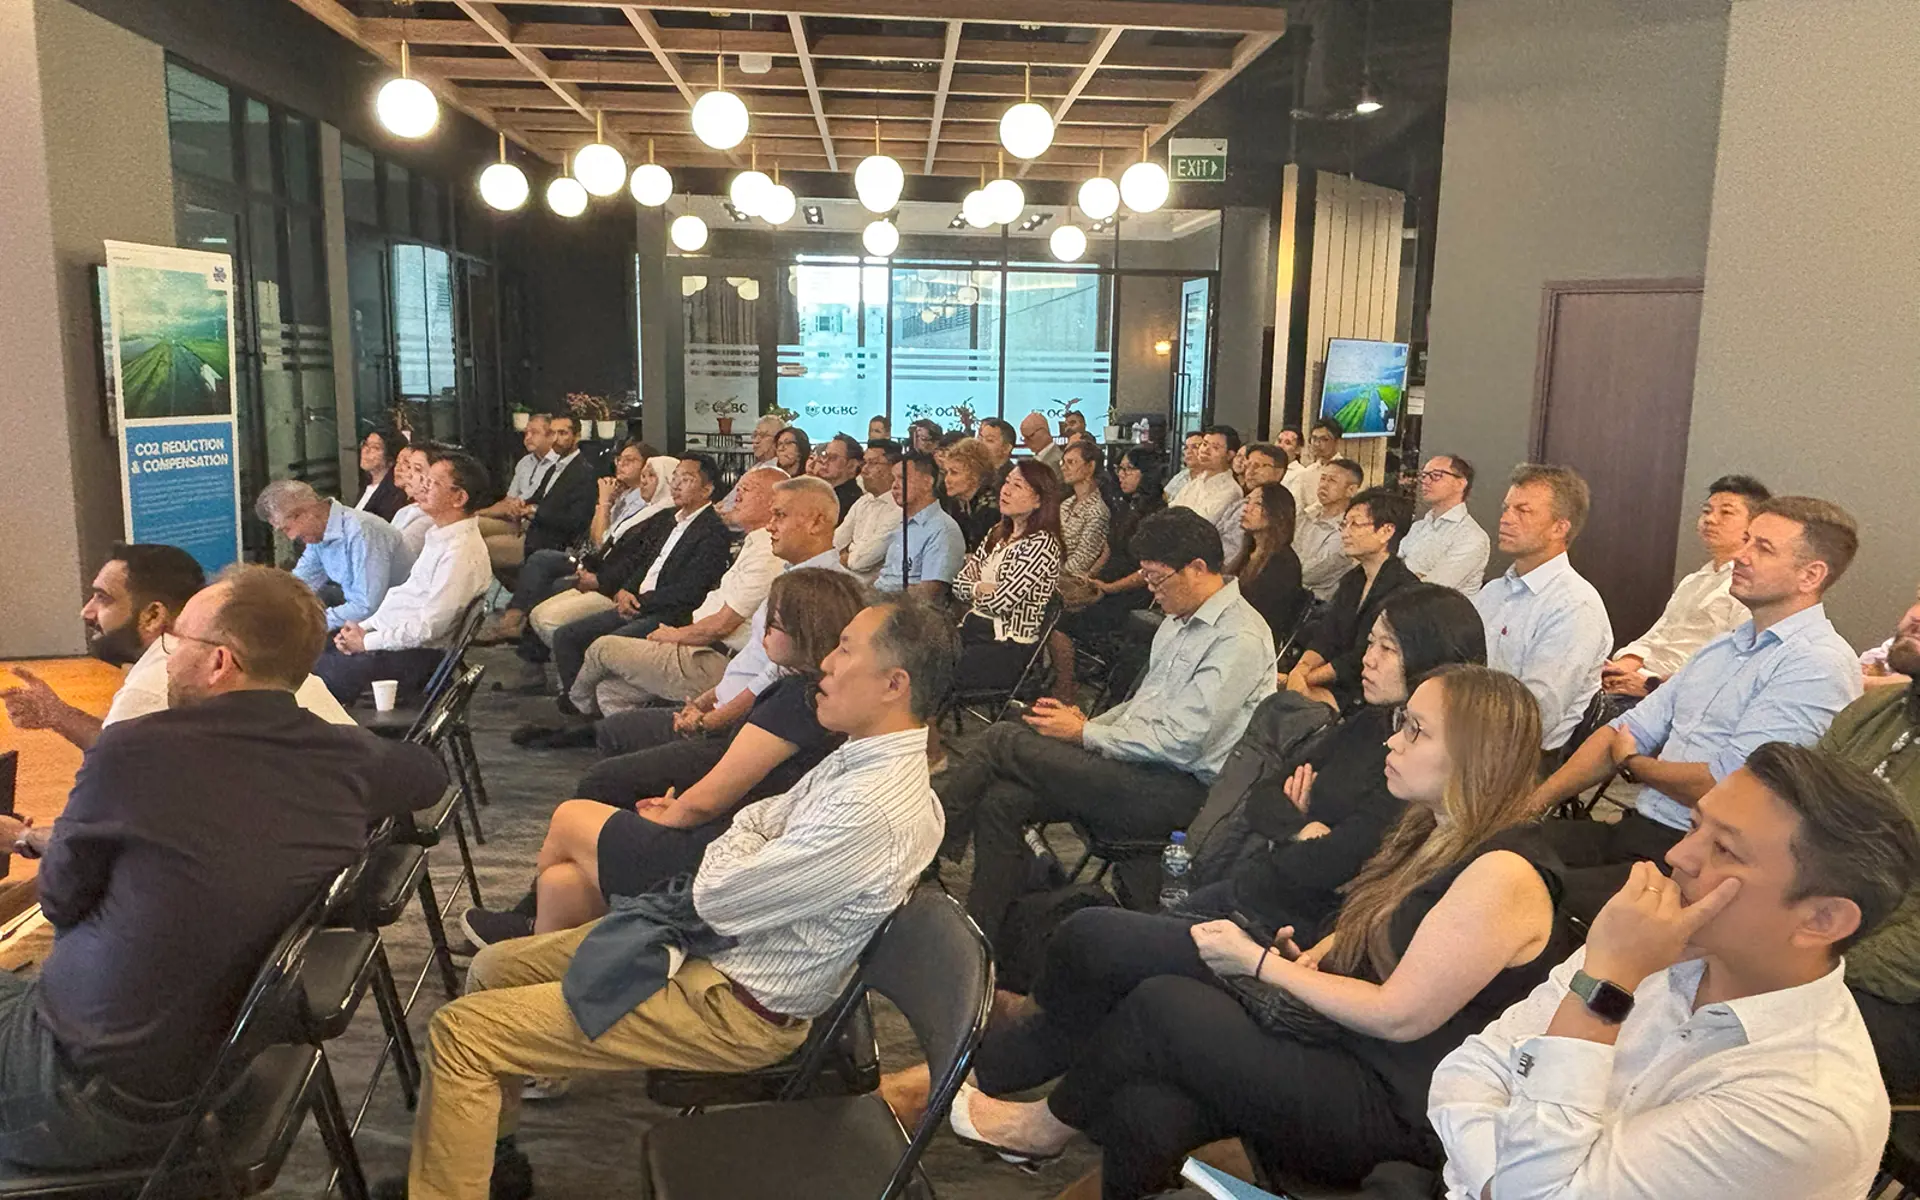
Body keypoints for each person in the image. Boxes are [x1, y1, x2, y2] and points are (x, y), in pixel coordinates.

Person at [375, 598, 955, 1200]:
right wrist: (744, 846)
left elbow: (719, 894)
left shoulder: (873, 808)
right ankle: (489, 1168)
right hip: (712, 956)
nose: (827, 663)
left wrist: (740, 850)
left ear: (894, 684)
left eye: (846, 650)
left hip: (734, 1006)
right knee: (497, 968)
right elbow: (754, 822)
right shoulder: (862, 762)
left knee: (462, 1034)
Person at [952, 667, 1568, 1199]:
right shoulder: (1434, 830)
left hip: (1394, 1107)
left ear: (1474, 755)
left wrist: (1261, 964)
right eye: (1401, 724)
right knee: (1149, 1108)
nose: (1393, 739)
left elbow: (1399, 1015)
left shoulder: (1503, 873)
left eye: (1416, 731)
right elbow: (1379, 940)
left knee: (1163, 1005)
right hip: (1348, 1049)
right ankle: (1039, 1112)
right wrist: (1311, 959)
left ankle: (1043, 1128)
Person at [0, 566, 446, 1173]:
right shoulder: (343, 757)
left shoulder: (135, 750)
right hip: (209, 1066)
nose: (166, 653)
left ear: (219, 663)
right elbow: (426, 775)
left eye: (177, 639)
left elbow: (61, 901)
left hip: (80, 1089)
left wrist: (42, 841)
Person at [1430, 742, 1919, 1200]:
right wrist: (1501, 1184)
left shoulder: (1808, 1109)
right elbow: (1465, 1072)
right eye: (1693, 825)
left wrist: (1605, 989)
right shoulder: (1663, 942)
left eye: (1724, 849)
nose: (1677, 856)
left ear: (1821, 920)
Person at [460, 569, 872, 946]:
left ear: (807, 633)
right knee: (562, 879)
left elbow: (714, 798)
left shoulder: (797, 702)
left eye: (774, 625)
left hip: (715, 861)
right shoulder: (806, 693)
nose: (763, 634)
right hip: (733, 836)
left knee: (573, 814)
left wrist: (670, 815)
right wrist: (677, 806)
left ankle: (528, 938)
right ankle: (536, 951)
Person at [938, 510, 1276, 939]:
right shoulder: (1180, 620)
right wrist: (1088, 723)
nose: (1151, 590)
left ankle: (929, 840)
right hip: (1141, 767)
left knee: (1004, 738)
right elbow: (1142, 705)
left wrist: (1085, 734)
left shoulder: (1238, 639)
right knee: (1003, 798)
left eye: (1157, 579)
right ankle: (984, 937)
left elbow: (1182, 743)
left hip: (1183, 791)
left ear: (1196, 568)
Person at [1532, 496, 1864, 919]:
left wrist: (1634, 764)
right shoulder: (1722, 647)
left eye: (1763, 548)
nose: (1741, 555)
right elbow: (1624, 730)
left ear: (1810, 575)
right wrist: (1532, 805)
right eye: (1747, 540)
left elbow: (1729, 786)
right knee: (1498, 847)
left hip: (1702, 863)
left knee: (1527, 896)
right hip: (1642, 829)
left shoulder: (1816, 663)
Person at [1196, 586, 1489, 937]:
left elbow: (1333, 865)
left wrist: (1290, 832)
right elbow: (1263, 796)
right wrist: (1303, 830)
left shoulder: (1426, 765)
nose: (1368, 658)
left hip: (1299, 928)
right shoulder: (1373, 721)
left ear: (1431, 657)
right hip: (1256, 890)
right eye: (1371, 643)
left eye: (1388, 648)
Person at [1, 544, 353, 748]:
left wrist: (22, 837)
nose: (87, 611)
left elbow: (115, 772)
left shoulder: (165, 678)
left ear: (154, 615)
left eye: (102, 598)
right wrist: (59, 715)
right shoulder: (267, 663)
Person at [547, 463, 773, 714]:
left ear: (706, 489)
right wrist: (626, 590)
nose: (676, 485)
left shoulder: (716, 532)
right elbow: (643, 562)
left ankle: (576, 704)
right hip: (646, 606)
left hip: (676, 618)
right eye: (674, 478)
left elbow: (695, 596)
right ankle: (587, 715)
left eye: (686, 479)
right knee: (572, 640)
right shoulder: (669, 519)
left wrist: (666, 625)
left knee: (602, 647)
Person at [1824, 585, 1920, 1093]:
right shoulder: (1873, 711)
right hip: (1813, 934)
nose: (1916, 615)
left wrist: (1818, 960)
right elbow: (1792, 816)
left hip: (1896, 992)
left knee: (1737, 1035)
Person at [312, 449, 493, 704]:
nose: (422, 486)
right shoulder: (441, 536)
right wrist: (364, 628)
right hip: (399, 645)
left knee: (308, 673)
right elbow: (405, 597)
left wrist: (367, 642)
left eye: (432, 482)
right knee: (309, 651)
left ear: (459, 497)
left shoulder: (460, 552)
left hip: (416, 658)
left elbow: (428, 628)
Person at [1473, 463, 1613, 753]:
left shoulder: (1575, 605)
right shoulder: (1492, 592)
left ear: (1559, 528)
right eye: (1506, 509)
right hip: (1470, 734)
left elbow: (1535, 715)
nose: (1505, 520)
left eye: (1522, 511)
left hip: (1523, 755)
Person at [478, 443, 674, 646]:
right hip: (591, 558)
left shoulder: (651, 512)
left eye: (630, 461)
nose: (621, 464)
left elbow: (601, 542)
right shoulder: (621, 493)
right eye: (619, 459)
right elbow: (596, 538)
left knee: (546, 570)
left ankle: (522, 632)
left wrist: (605, 502)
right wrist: (605, 503)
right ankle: (515, 622)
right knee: (540, 560)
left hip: (607, 573)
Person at [1602, 473, 1771, 696]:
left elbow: (1731, 665)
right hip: (1640, 682)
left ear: (1755, 525)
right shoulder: (1693, 581)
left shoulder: (1752, 588)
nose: (1710, 520)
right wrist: (1618, 669)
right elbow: (1656, 638)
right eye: (1707, 511)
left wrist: (1652, 685)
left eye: (1726, 513)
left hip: (1677, 693)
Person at [1288, 487, 1419, 713]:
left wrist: (1307, 678)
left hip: (1368, 692)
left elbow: (1363, 655)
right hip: (1334, 680)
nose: (1345, 533)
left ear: (1386, 531)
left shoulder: (1404, 589)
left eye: (1355, 524)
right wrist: (1301, 668)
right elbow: (1328, 634)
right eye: (1344, 524)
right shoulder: (1353, 579)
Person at [951, 460, 1064, 694]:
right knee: (919, 653)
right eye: (1006, 482)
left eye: (1018, 485)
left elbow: (999, 603)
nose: (1006, 490)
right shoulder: (998, 533)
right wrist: (980, 588)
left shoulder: (1042, 545)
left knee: (931, 670)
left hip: (1008, 648)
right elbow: (958, 584)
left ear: (1039, 500)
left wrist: (976, 587)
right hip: (974, 631)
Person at [256, 478, 407, 629]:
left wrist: (308, 624)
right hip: (369, 625)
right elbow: (300, 584)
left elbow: (366, 606)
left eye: (287, 529)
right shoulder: (319, 536)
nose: (291, 537)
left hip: (396, 627)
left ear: (305, 513)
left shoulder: (362, 531)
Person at [876, 451, 968, 601]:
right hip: (879, 602)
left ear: (927, 482)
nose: (894, 486)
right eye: (894, 479)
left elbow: (929, 594)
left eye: (903, 478)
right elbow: (887, 577)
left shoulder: (943, 529)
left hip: (907, 611)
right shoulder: (903, 524)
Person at [1398, 453, 1491, 596]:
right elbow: (1391, 571)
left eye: (1436, 475)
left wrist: (1408, 579)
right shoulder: (1419, 527)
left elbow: (1433, 589)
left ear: (1460, 484)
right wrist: (1416, 577)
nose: (1425, 481)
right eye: (1424, 475)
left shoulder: (1472, 536)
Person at [511, 413, 598, 563]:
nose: (556, 439)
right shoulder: (554, 467)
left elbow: (576, 522)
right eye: (552, 433)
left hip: (556, 548)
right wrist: (522, 504)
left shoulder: (584, 472)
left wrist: (536, 511)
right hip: (533, 538)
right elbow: (539, 497)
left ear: (577, 436)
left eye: (562, 433)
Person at [1229, 481, 1307, 648]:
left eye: (1257, 504)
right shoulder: (1248, 553)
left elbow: (1265, 615)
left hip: (1255, 641)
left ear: (1277, 512)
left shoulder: (1283, 563)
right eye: (1247, 501)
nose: (1247, 508)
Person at [1295, 457, 1364, 600]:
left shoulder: (1348, 531)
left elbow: (1309, 574)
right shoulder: (1304, 517)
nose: (1323, 485)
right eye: (1323, 479)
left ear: (1351, 490)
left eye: (1332, 481)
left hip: (1316, 604)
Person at [476, 413, 554, 539]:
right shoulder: (524, 462)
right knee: (469, 525)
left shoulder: (559, 465)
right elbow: (508, 501)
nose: (528, 438)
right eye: (526, 433)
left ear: (551, 436)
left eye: (534, 433)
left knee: (478, 536)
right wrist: (478, 513)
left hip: (537, 527)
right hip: (514, 521)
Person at [835, 439, 902, 583]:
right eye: (865, 463)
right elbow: (835, 542)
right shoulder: (862, 502)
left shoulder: (899, 509)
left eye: (873, 463)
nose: (864, 470)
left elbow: (860, 562)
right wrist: (844, 555)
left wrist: (846, 555)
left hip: (871, 588)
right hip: (843, 579)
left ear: (893, 468)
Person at [1170, 425, 1242, 527]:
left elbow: (1201, 523)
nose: (1205, 450)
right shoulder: (1197, 481)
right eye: (1204, 444)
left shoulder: (1231, 490)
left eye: (1215, 447)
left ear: (1229, 455)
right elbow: (1172, 508)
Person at [1058, 441, 1111, 578]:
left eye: (1071, 462)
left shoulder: (1097, 512)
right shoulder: (1065, 504)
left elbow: (1080, 564)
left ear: (1090, 467)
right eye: (1063, 462)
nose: (1063, 468)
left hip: (1069, 582)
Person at [938, 435, 1001, 551]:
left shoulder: (991, 510)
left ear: (975, 475)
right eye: (946, 472)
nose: (947, 479)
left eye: (954, 473)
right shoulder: (957, 503)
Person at [716, 415, 784, 517]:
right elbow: (728, 501)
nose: (756, 441)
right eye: (755, 435)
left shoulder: (772, 473)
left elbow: (747, 511)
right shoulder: (758, 466)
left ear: (778, 441)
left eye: (763, 436)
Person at [1286, 417, 1345, 520]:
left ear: (1337, 442)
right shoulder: (1307, 472)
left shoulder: (1346, 471)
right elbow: (1298, 506)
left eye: (1324, 439)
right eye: (1314, 439)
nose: (1317, 444)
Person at [385, 443, 437, 560]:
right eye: (409, 467)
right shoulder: (404, 511)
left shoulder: (430, 520)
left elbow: (394, 559)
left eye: (417, 469)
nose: (408, 475)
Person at [354, 426, 408, 521]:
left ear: (391, 458)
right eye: (365, 444)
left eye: (375, 447)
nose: (366, 450)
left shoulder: (394, 495)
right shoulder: (365, 486)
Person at [818, 432, 864, 519]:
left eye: (833, 457)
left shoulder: (852, 500)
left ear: (852, 465)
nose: (825, 462)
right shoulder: (824, 492)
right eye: (825, 455)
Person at [1164, 431, 1204, 504]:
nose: (1188, 451)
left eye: (1195, 447)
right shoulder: (1182, 476)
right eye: (1186, 447)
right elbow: (1164, 498)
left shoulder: (1211, 479)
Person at [977, 416, 1017, 487]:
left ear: (1006, 448)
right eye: (980, 438)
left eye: (989, 440)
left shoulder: (1013, 478)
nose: (981, 443)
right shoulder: (976, 472)